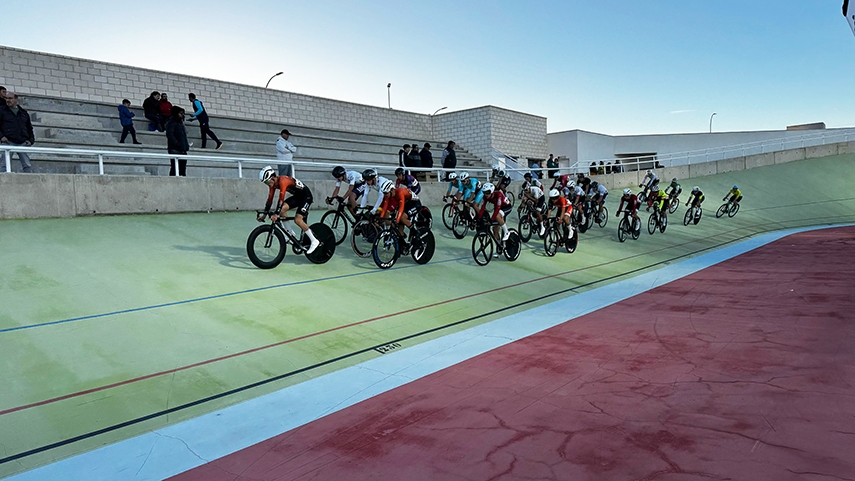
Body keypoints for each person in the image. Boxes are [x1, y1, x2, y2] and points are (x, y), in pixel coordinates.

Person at [258, 166, 320, 254]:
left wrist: (276, 214)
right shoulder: (273, 184)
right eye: (265, 183)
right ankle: (290, 233)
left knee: (297, 220)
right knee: (282, 210)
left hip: (306, 196)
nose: (267, 184)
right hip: (298, 197)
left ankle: (314, 241)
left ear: (272, 177)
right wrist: (264, 215)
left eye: (267, 181)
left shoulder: (283, 180)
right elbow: (269, 200)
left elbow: (281, 198)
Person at [377, 180, 421, 251]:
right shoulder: (388, 195)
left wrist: (397, 221)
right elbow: (384, 208)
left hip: (414, 203)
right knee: (399, 230)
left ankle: (415, 232)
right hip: (406, 204)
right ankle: (403, 245)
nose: (385, 195)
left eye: (386, 193)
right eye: (383, 193)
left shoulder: (400, 192)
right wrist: (381, 218)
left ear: (391, 190)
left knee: (402, 218)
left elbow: (401, 208)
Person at [0, 91, 36, 173]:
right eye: (6, 98)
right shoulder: (2, 111)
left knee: (27, 164)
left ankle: (30, 180)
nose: (7, 100)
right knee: (4, 164)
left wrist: (31, 140)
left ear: (16, 99)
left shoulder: (23, 113)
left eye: (10, 98)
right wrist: (1, 137)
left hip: (22, 142)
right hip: (8, 141)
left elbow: (29, 128)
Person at [477, 183, 511, 254]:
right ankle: (499, 247)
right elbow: (482, 208)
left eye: (488, 192)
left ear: (492, 192)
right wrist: (478, 218)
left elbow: (497, 209)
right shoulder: (485, 197)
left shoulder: (498, 194)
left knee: (496, 216)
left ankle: (506, 232)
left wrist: (491, 220)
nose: (486, 194)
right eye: (484, 192)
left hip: (506, 207)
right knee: (495, 230)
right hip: (498, 209)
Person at [165, 106, 190, 176]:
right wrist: (177, 144)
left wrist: (185, 146)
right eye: (180, 113)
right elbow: (170, 135)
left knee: (182, 169)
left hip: (182, 149)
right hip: (175, 149)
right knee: (175, 169)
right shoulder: (171, 123)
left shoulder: (181, 123)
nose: (182, 115)